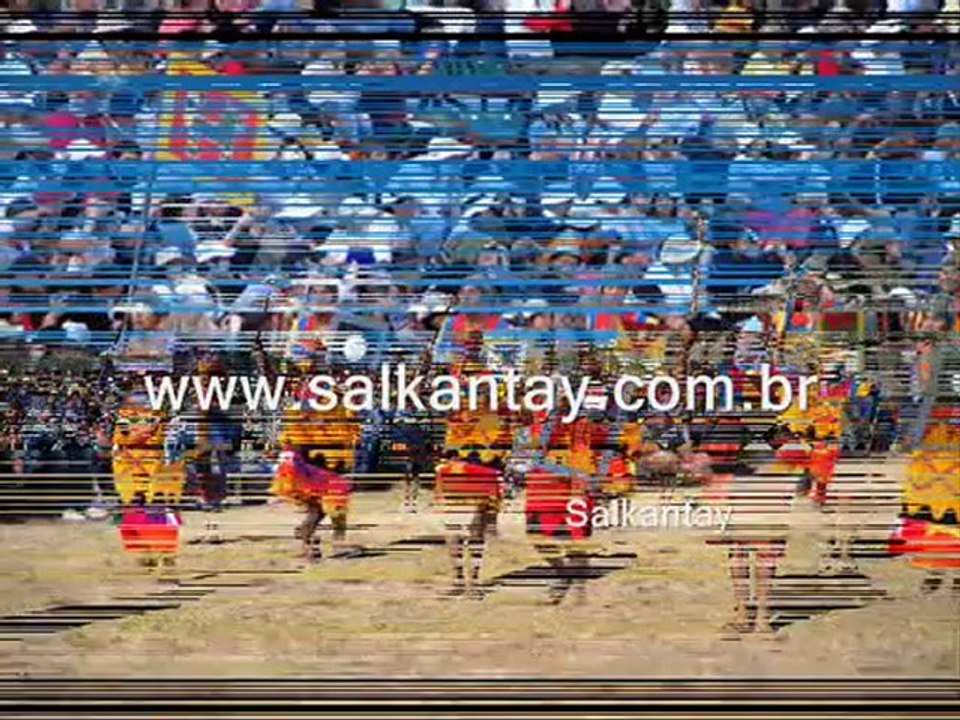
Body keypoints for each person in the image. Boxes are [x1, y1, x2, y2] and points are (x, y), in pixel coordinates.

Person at [433, 449, 502, 598]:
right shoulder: (487, 473)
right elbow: (494, 498)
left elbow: (439, 494)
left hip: (454, 509)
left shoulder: (444, 471)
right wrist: (492, 521)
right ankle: (473, 585)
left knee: (455, 545)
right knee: (474, 546)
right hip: (474, 508)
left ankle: (459, 581)